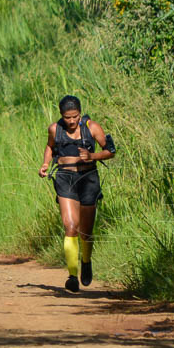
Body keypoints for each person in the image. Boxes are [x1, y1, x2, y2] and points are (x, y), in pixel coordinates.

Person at [38, 95, 116, 292]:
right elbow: (50, 146)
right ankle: (72, 276)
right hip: (65, 178)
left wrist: (93, 156)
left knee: (86, 232)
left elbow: (110, 151)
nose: (72, 121)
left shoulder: (92, 128)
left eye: (75, 117)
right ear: (61, 115)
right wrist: (46, 164)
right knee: (70, 225)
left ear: (80, 114)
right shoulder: (55, 129)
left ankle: (86, 261)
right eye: (67, 117)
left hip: (88, 178)